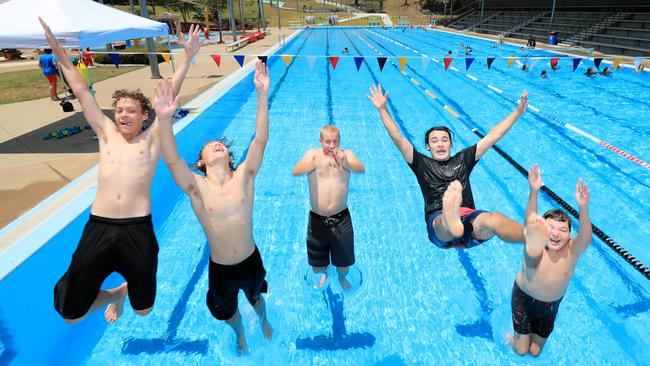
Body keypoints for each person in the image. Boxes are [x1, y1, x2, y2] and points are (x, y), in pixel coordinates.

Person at [41, 18, 203, 325]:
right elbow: (79, 87)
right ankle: (115, 293)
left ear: (144, 115)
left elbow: (171, 92)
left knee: (144, 309)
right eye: (119, 110)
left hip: (137, 230)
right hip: (99, 227)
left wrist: (187, 56)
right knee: (70, 313)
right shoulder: (106, 133)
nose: (123, 114)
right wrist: (57, 49)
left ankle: (127, 292)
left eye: (131, 110)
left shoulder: (152, 138)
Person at [154, 60, 273, 355]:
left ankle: (264, 320)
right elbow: (170, 160)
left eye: (221, 145)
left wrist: (261, 94)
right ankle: (240, 332)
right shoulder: (197, 187)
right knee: (227, 312)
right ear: (201, 163)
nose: (218, 145)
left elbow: (260, 139)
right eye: (210, 146)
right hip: (221, 269)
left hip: (250, 260)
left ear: (230, 157)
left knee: (257, 297)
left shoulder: (245, 175)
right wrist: (165, 121)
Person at [367, 84, 527, 249]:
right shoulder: (421, 163)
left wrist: (517, 112)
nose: (440, 144)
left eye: (444, 140)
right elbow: (398, 138)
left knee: (492, 220)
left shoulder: (464, 159)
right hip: (438, 220)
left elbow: (493, 136)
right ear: (428, 146)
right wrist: (382, 109)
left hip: (468, 217)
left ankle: (527, 236)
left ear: (451, 144)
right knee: (442, 223)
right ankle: (450, 218)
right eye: (434, 141)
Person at [509, 164, 592, 357]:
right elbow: (531, 219)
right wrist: (534, 190)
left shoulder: (572, 250)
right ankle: (511, 338)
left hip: (551, 305)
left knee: (535, 352)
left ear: (570, 234)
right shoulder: (535, 242)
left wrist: (583, 208)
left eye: (562, 230)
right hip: (524, 298)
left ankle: (524, 336)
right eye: (550, 228)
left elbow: (586, 237)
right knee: (521, 350)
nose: (555, 234)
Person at [292, 125, 365, 290]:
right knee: (317, 267)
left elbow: (360, 168)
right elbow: (296, 171)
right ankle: (324, 272)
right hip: (317, 220)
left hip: (341, 220)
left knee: (344, 266)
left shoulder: (347, 155)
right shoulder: (312, 155)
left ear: (340, 141)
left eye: (335, 141)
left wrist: (345, 162)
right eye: (328, 142)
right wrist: (315, 163)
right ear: (320, 141)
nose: (332, 146)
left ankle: (341, 277)